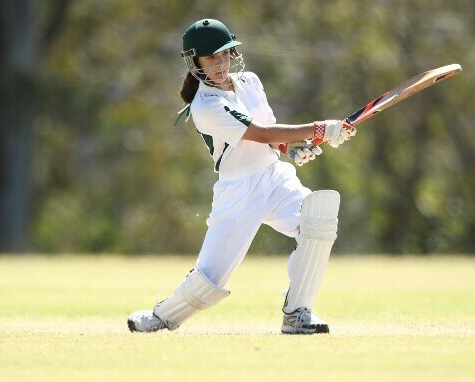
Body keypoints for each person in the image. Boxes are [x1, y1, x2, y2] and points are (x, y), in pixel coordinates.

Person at [127, 18, 356, 334]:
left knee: (319, 221)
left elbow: (271, 135)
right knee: (210, 280)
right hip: (238, 191)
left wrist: (291, 149)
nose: (220, 63)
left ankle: (297, 313)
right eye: (211, 58)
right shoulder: (205, 105)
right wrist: (320, 129)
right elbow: (259, 133)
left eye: (224, 54)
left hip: (274, 177)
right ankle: (162, 316)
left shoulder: (250, 81)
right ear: (195, 63)